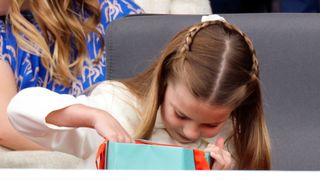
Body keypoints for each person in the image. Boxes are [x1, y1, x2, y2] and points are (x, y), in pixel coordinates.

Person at [7, 19, 271, 169]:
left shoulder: (231, 142)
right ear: (164, 80)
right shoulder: (118, 109)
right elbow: (18, 110)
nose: (190, 132)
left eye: (211, 123)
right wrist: (91, 116)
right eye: (180, 114)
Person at [0, 0, 142, 150]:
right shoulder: (5, 36)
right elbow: (5, 126)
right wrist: (90, 154)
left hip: (126, 141)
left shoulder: (116, 14)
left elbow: (153, 95)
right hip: (86, 154)